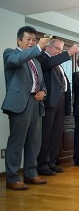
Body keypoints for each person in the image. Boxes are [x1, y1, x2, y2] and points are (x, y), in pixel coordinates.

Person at [2, 26, 49, 190]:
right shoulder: (10, 54)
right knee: (16, 142)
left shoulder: (36, 61)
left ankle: (31, 174)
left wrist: (43, 92)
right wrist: (37, 48)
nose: (31, 43)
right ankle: (12, 178)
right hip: (19, 104)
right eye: (28, 39)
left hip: (36, 104)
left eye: (34, 40)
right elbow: (16, 61)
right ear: (18, 40)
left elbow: (42, 84)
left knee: (34, 142)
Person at [36, 39, 79, 175]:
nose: (59, 52)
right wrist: (68, 53)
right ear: (48, 47)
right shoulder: (42, 58)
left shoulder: (57, 63)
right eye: (57, 49)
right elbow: (49, 64)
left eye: (61, 50)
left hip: (60, 103)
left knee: (56, 135)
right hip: (49, 103)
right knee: (46, 135)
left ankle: (51, 162)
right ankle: (42, 165)